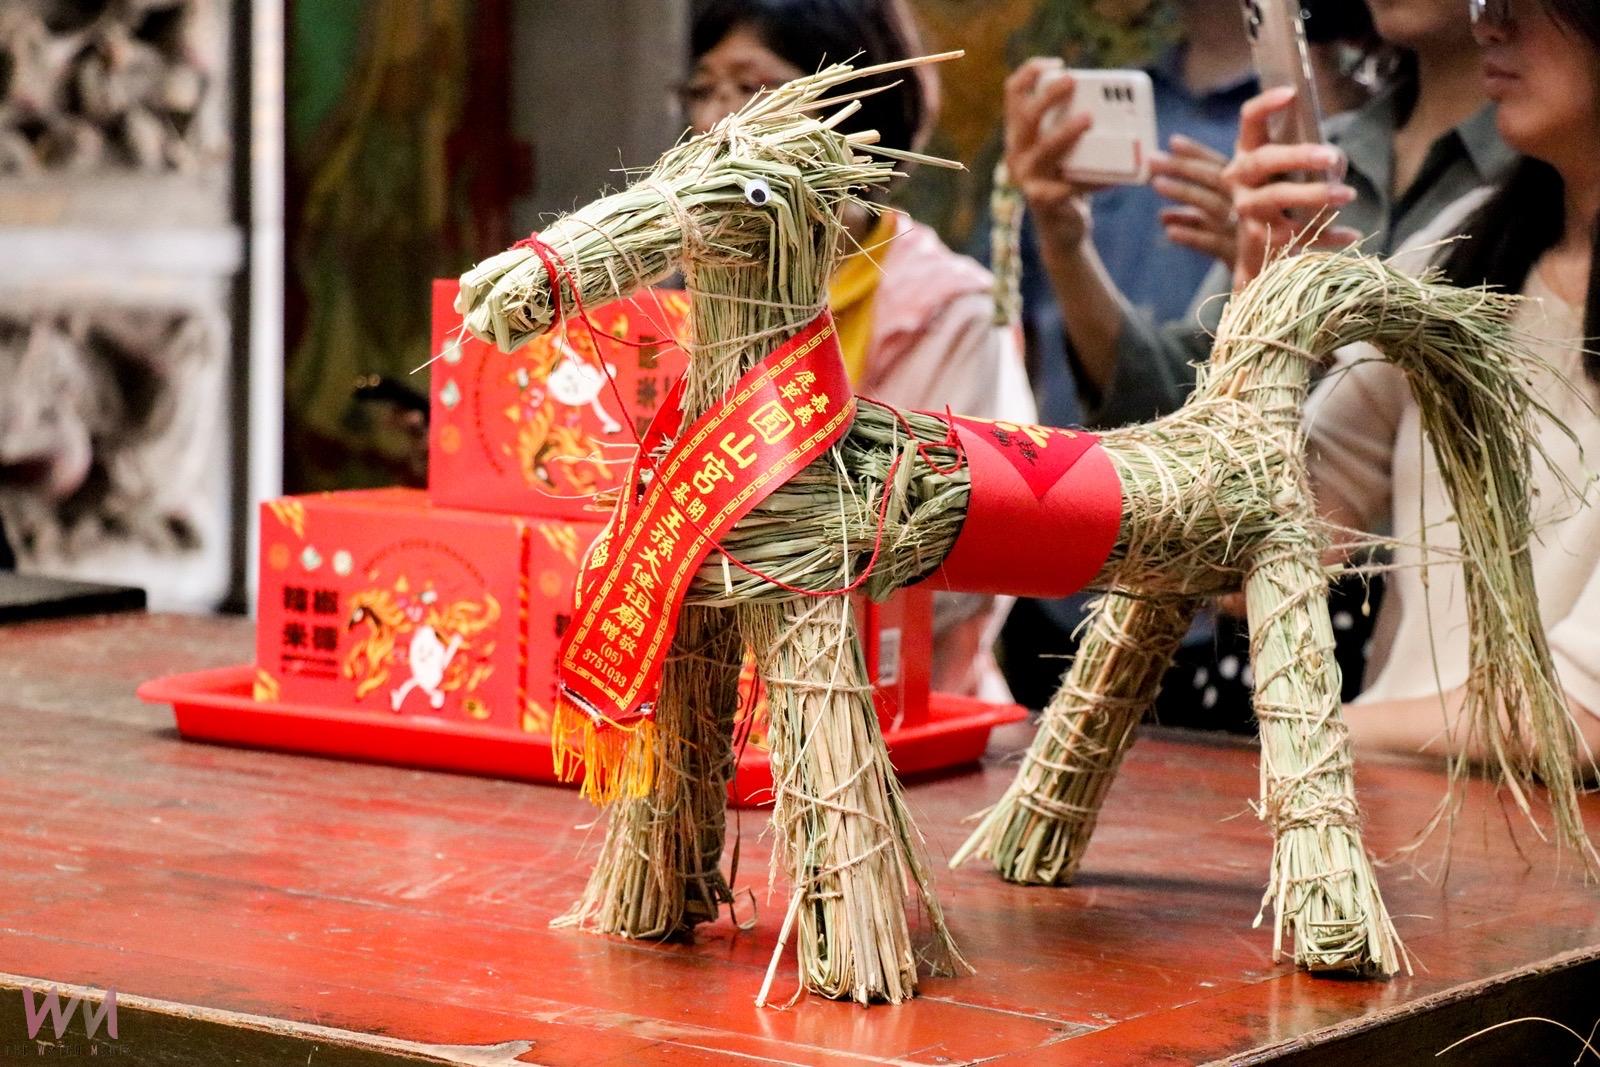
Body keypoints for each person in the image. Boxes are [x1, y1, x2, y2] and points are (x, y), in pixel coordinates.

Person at [1242, 0, 1600, 764]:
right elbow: (1259, 550)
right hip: (1389, 826)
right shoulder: (1465, 251)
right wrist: (1262, 303)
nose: (1487, 26)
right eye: (1481, 2)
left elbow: (1577, 720)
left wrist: (1313, 738)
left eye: (1516, 2)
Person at [681, 0, 1036, 697]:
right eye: (703, 90)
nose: (715, 124)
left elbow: (974, 544)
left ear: (853, 112)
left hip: (900, 710)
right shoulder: (683, 293)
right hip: (713, 699)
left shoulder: (950, 311)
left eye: (752, 89)